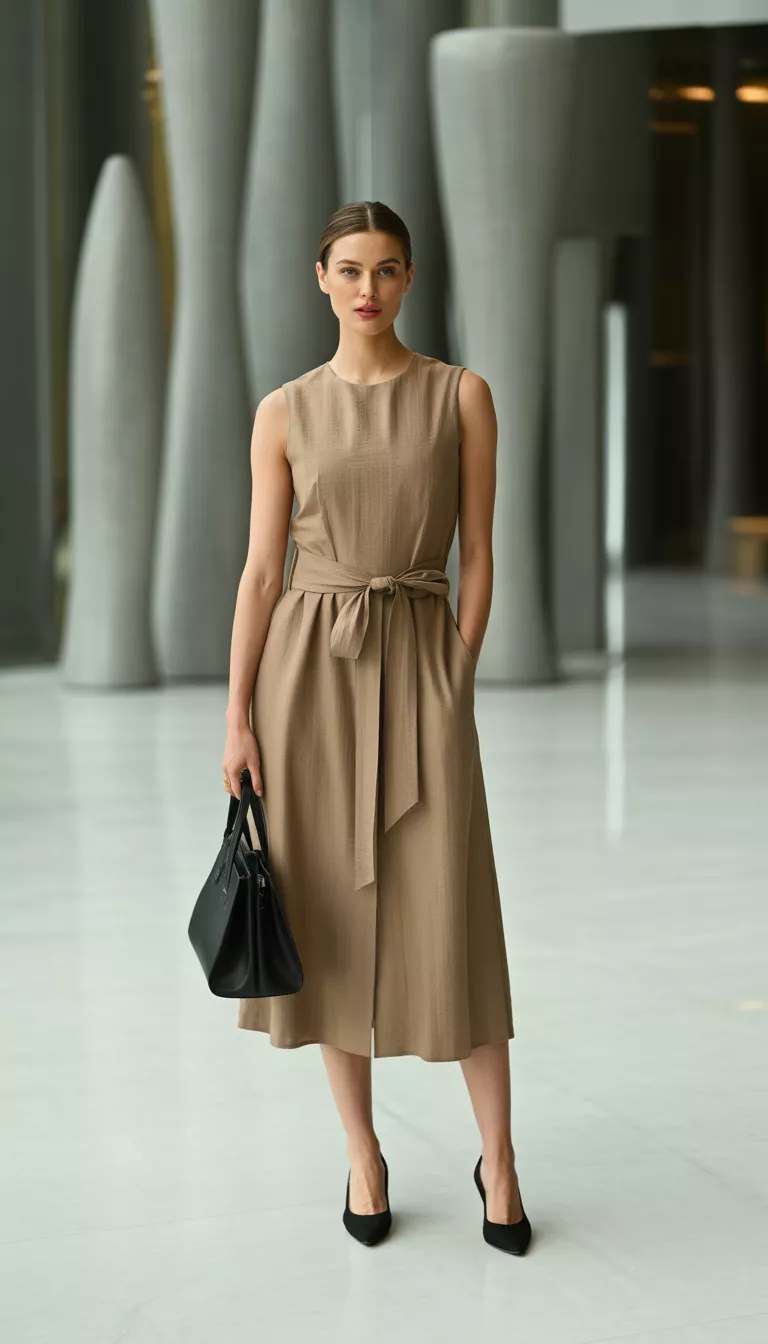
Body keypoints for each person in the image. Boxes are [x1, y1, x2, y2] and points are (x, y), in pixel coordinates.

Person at [221, 200, 531, 1256]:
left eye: (387, 269)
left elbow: (480, 553)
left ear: (409, 280)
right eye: (349, 268)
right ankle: (363, 1155)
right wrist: (237, 719)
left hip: (418, 652)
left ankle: (501, 1157)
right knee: (328, 921)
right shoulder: (284, 410)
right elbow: (263, 571)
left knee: (456, 910)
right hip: (304, 674)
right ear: (320, 277)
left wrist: (459, 667)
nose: (368, 287)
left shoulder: (462, 395)